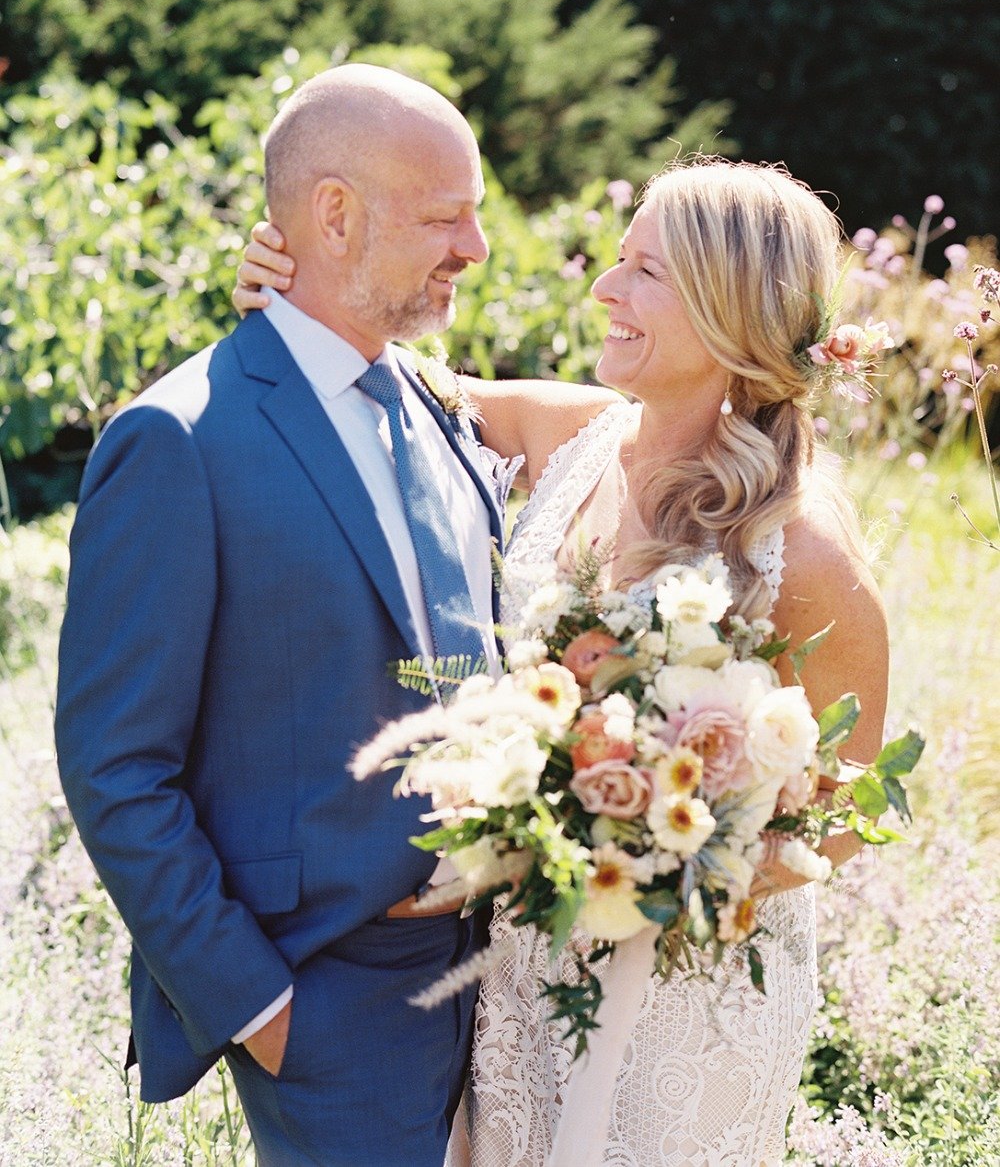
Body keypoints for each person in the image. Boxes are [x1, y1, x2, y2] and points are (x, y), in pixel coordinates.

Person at [236, 153, 888, 1165]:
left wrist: (657, 874)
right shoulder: (578, 436)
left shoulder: (799, 548)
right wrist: (291, 295)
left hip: (684, 988)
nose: (603, 289)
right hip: (520, 964)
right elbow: (398, 389)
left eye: (644, 272)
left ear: (728, 306)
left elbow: (855, 808)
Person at [54, 64, 516, 1167]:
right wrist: (262, 1011)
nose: (477, 249)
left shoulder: (445, 411)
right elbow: (115, 765)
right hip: (328, 1006)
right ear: (335, 214)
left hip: (504, 989)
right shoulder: (179, 439)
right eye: (447, 215)